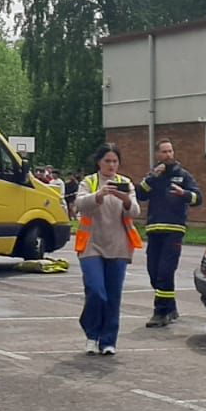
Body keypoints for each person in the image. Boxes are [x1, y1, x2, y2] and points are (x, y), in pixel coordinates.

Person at [73, 143, 142, 356]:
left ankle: (108, 341)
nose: (111, 165)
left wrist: (126, 200)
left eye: (115, 162)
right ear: (99, 162)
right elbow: (79, 204)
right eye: (107, 161)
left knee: (113, 296)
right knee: (96, 291)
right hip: (91, 245)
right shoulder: (90, 182)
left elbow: (136, 212)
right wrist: (99, 195)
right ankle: (92, 334)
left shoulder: (125, 183)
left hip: (119, 246)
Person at [135, 138, 202, 327]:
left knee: (165, 271)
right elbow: (140, 195)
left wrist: (185, 194)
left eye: (170, 151)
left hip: (174, 230)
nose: (168, 155)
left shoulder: (184, 175)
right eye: (164, 152)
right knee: (154, 272)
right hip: (154, 230)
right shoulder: (153, 176)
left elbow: (199, 198)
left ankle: (160, 312)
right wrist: (152, 178)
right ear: (157, 154)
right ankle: (171, 307)